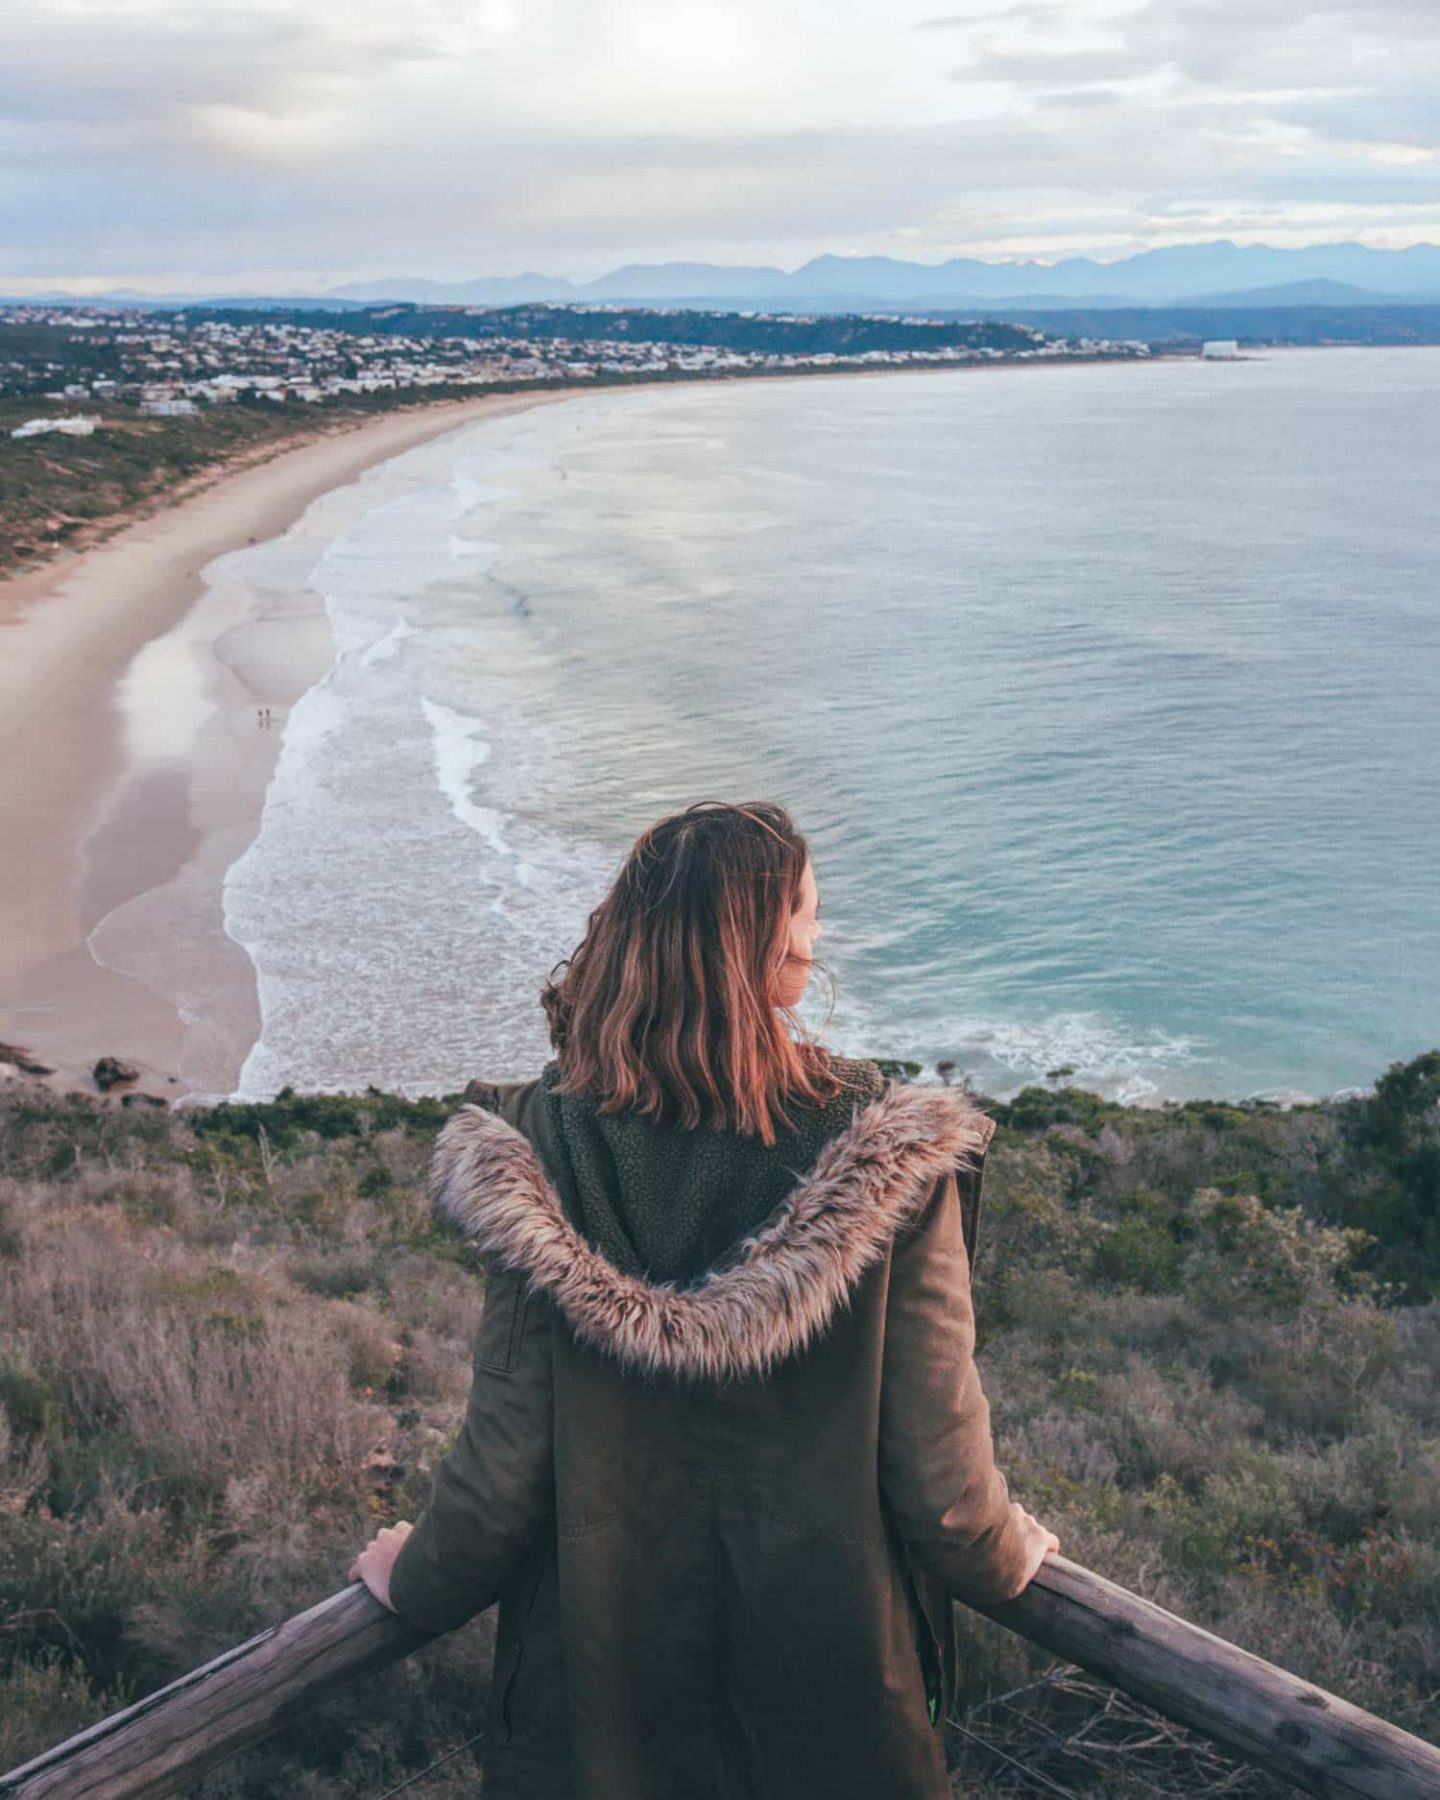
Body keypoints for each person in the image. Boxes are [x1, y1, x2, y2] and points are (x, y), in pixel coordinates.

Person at [349, 799, 1058, 1799]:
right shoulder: (889, 1152)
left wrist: (414, 1578)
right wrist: (1003, 1551)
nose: (817, 937)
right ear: (757, 948)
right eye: (806, 913)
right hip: (836, 1706)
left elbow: (503, 1463)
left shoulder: (536, 1150)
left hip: (598, 1712)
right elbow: (940, 1471)